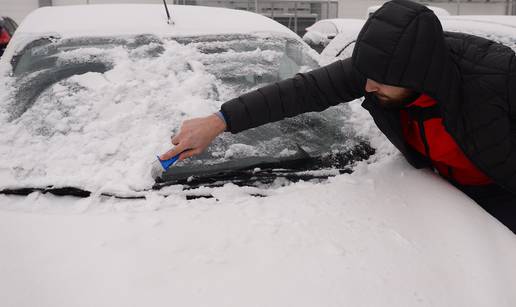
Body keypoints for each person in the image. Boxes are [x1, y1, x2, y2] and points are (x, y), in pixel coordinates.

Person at [160, 0, 516, 232]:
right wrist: (219, 121)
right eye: (366, 79)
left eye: (380, 83)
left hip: (502, 193)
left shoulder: (498, 80)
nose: (368, 87)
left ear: (418, 76)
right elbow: (302, 91)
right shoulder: (379, 69)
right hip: (444, 196)